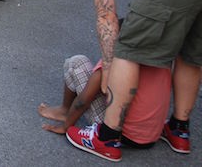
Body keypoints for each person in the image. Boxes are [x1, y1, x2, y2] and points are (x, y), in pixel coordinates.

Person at [66, 0, 202, 162]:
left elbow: (106, 15)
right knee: (191, 52)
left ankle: (106, 137)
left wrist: (108, 67)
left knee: (128, 49)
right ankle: (179, 129)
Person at [39, 54, 171, 149]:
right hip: (150, 135)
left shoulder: (120, 59)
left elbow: (83, 101)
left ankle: (65, 111)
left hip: (117, 132)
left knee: (76, 62)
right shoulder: (164, 59)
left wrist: (65, 127)